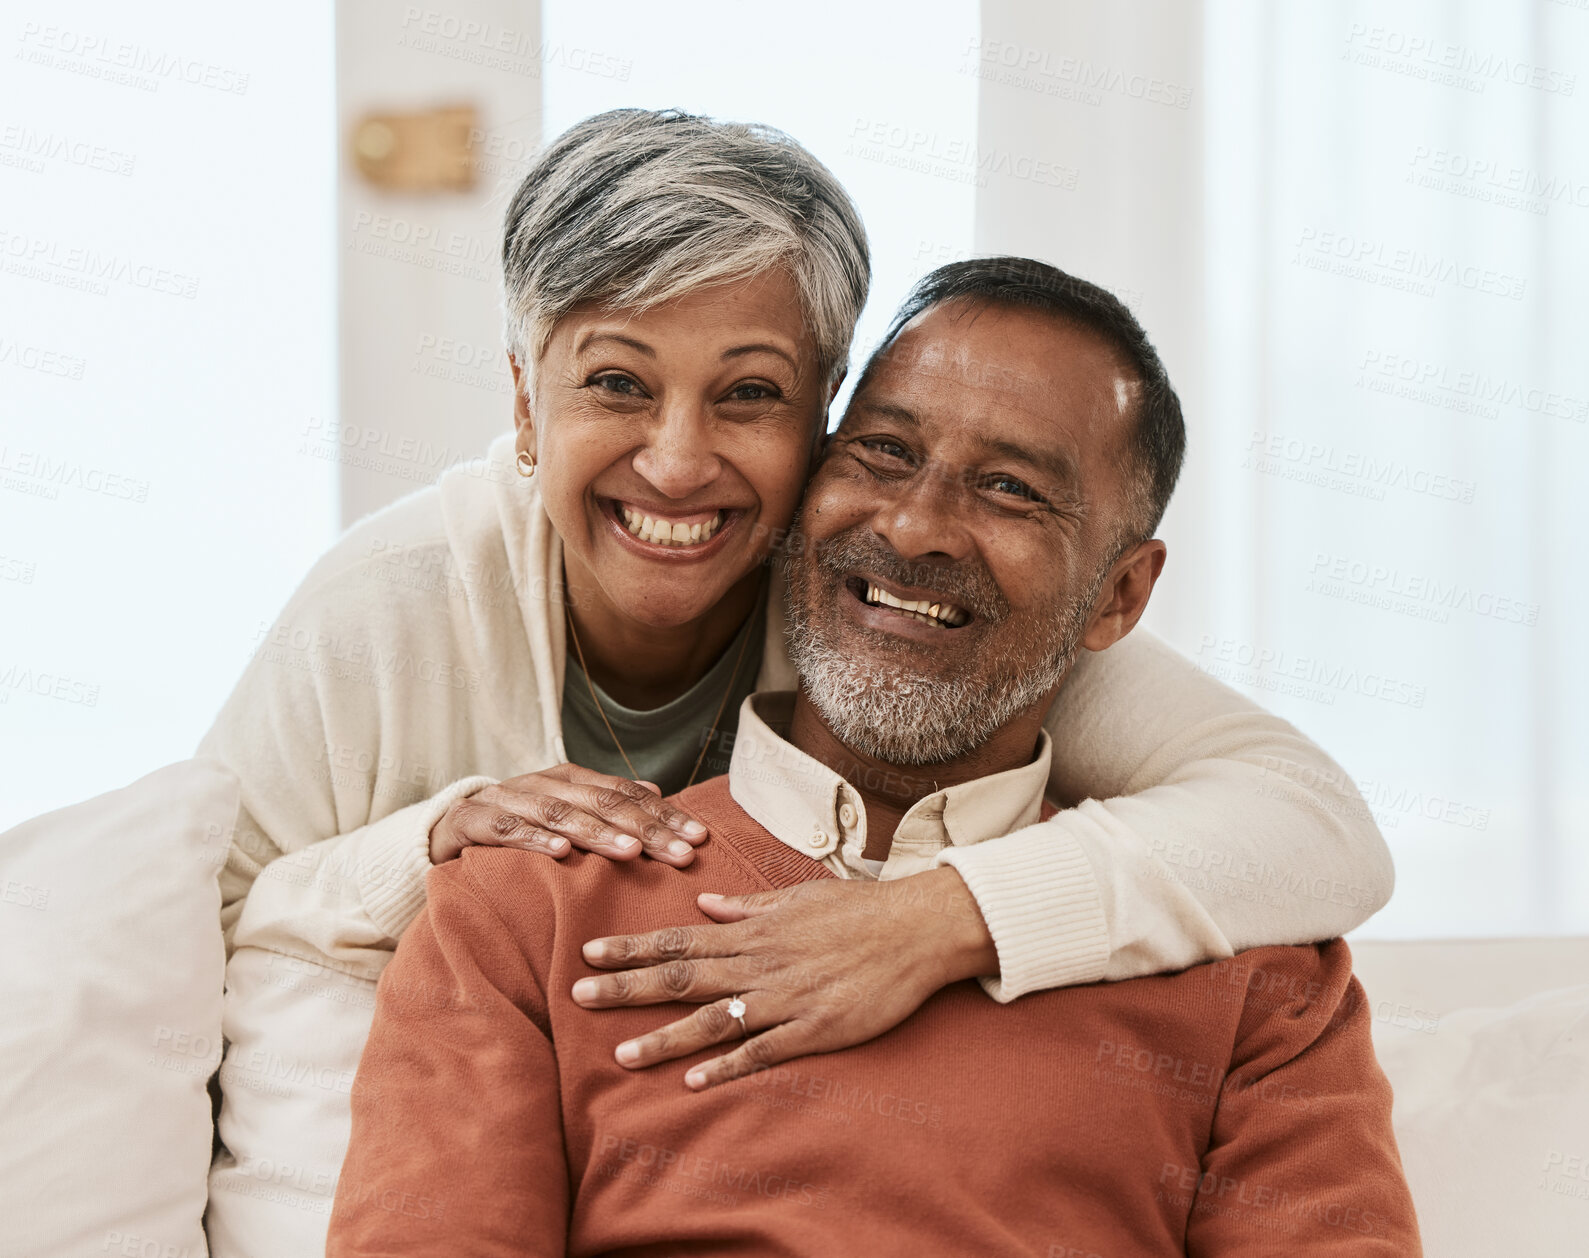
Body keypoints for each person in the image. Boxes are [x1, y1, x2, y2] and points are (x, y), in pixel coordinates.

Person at [202, 110, 1390, 1241]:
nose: (676, 464)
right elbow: (203, 936)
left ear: (813, 420)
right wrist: (434, 845)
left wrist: (932, 919)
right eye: (615, 380)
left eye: (749, 394)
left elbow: (1311, 821)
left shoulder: (1237, 952)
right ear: (524, 399)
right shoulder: (477, 811)